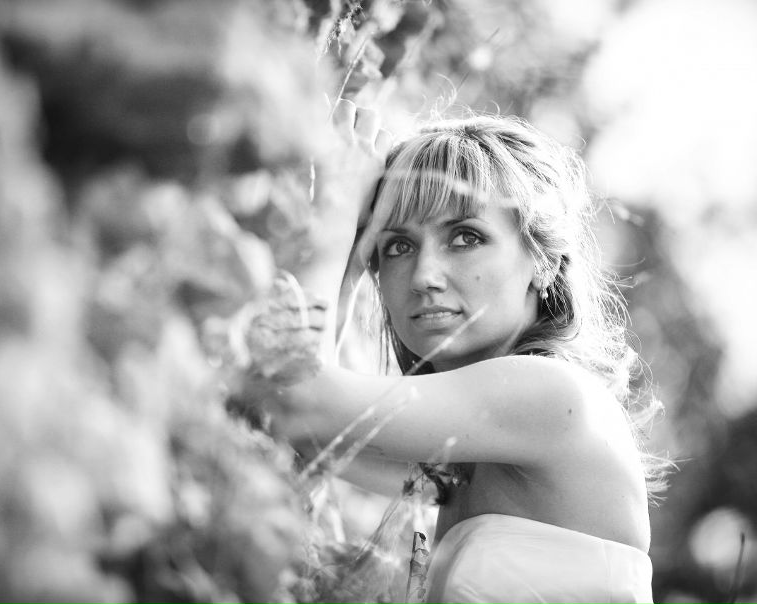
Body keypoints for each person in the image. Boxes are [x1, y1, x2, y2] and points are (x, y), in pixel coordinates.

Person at [254, 100, 668, 604]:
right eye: (398, 246)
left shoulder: (549, 395)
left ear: (543, 262)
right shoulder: (468, 454)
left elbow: (300, 395)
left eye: (465, 237)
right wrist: (352, 255)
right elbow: (304, 431)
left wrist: (337, 213)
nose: (425, 276)